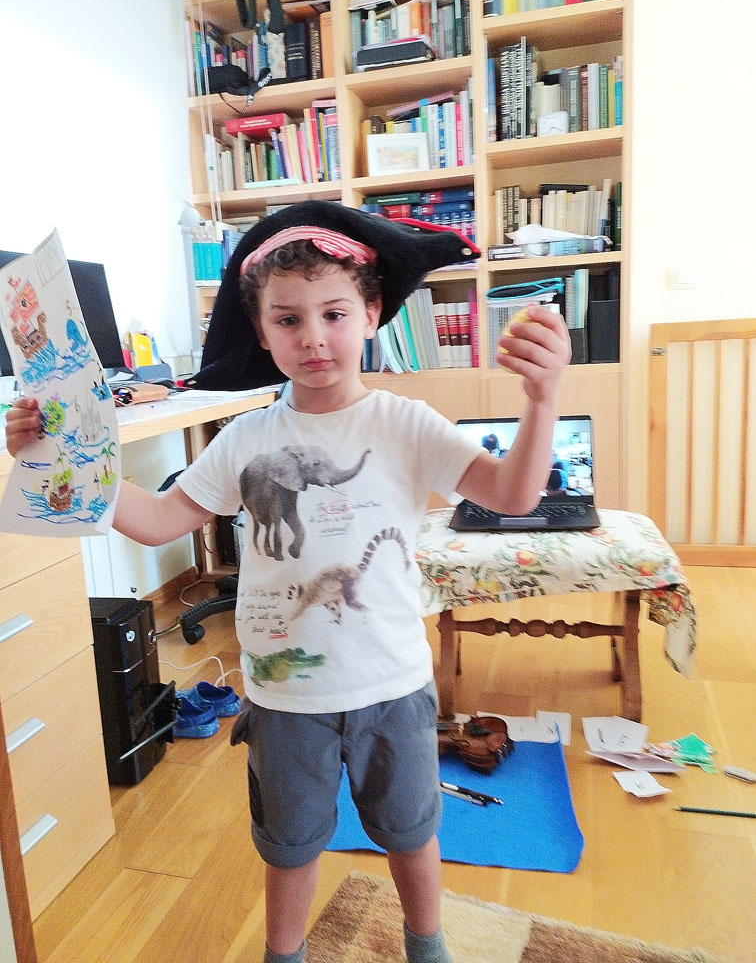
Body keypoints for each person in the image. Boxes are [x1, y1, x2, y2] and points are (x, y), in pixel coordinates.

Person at [6, 202, 571, 963]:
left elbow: (512, 494)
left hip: (393, 687)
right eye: (288, 320)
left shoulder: (405, 423)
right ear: (262, 331)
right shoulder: (246, 438)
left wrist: (542, 401)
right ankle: (284, 953)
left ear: (372, 313)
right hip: (283, 700)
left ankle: (426, 943)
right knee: (289, 842)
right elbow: (159, 519)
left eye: (334, 314)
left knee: (411, 830)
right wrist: (58, 457)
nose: (313, 338)